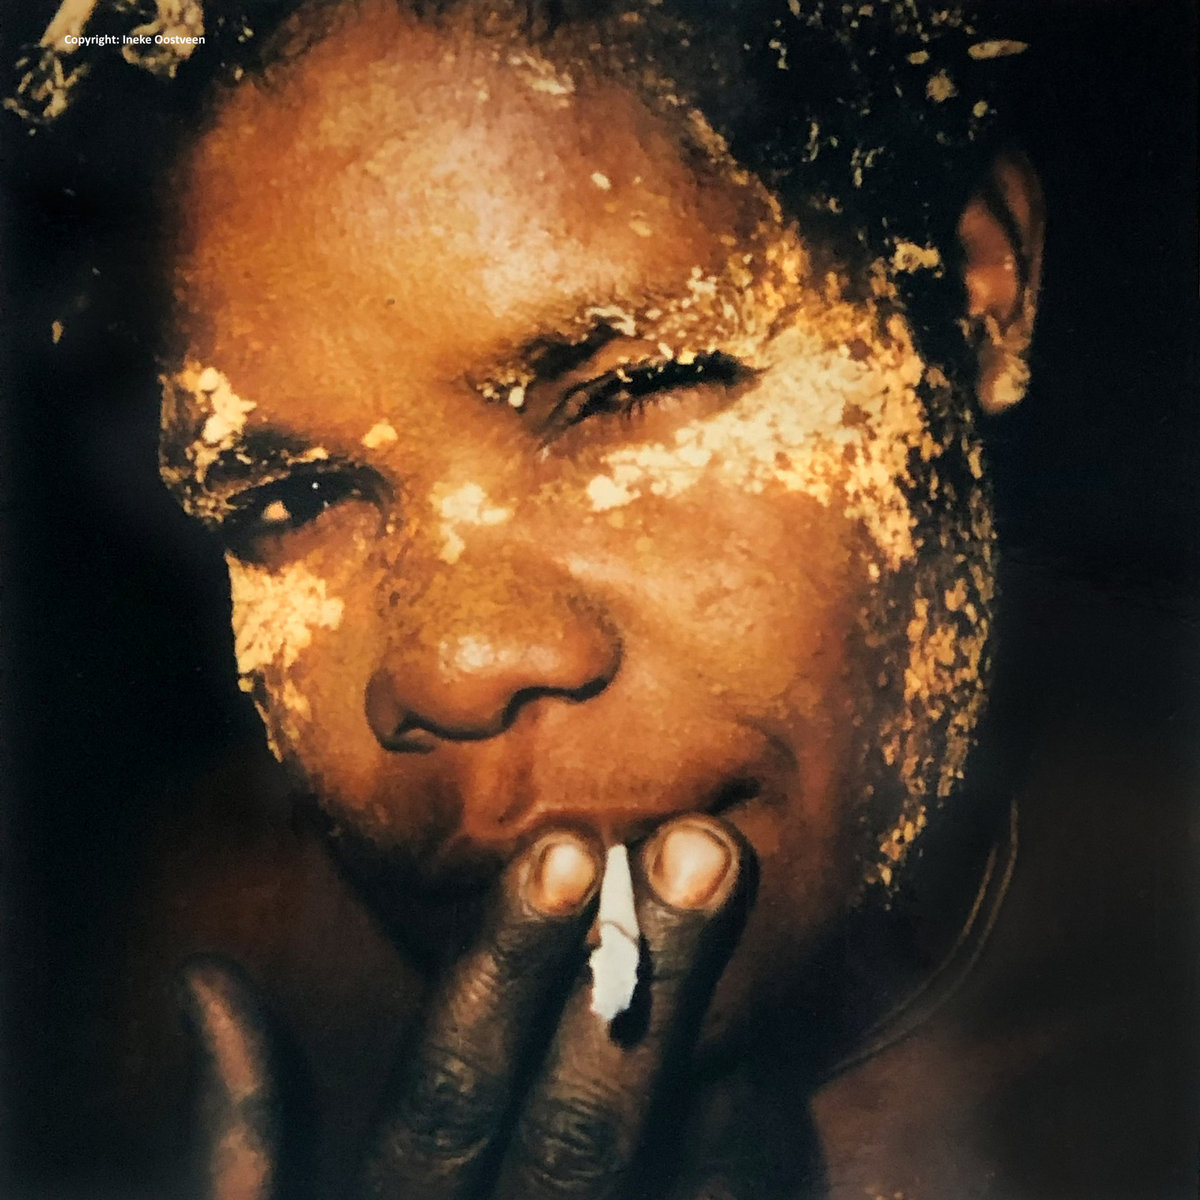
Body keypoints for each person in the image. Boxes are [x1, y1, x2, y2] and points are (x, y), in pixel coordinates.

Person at [3, 0, 1196, 1196]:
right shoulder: (168, 1035)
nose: (454, 665)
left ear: (971, 288)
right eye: (294, 498)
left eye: (625, 393)